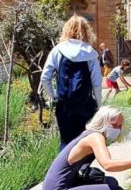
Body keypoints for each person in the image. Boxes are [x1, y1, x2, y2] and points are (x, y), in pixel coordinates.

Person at [41, 15, 103, 150]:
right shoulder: (90, 53)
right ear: (86, 31)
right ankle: (82, 168)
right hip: (85, 104)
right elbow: (97, 83)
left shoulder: (58, 50)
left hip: (64, 104)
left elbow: (45, 77)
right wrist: (99, 104)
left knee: (65, 142)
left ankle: (63, 170)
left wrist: (54, 96)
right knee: (84, 142)